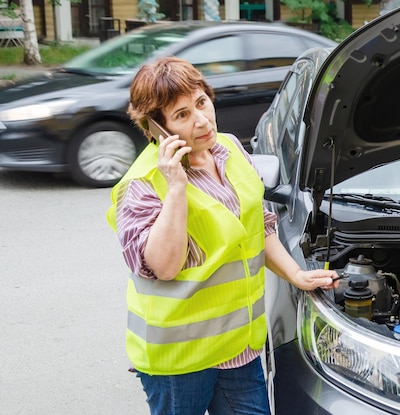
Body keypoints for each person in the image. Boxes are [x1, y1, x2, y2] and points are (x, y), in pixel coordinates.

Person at [106, 56, 338, 415]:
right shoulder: (142, 186)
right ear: (155, 129)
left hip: (239, 347)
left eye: (201, 102)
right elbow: (163, 266)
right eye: (181, 115)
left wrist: (296, 275)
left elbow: (258, 227)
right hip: (179, 361)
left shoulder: (229, 148)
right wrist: (176, 188)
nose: (201, 120)